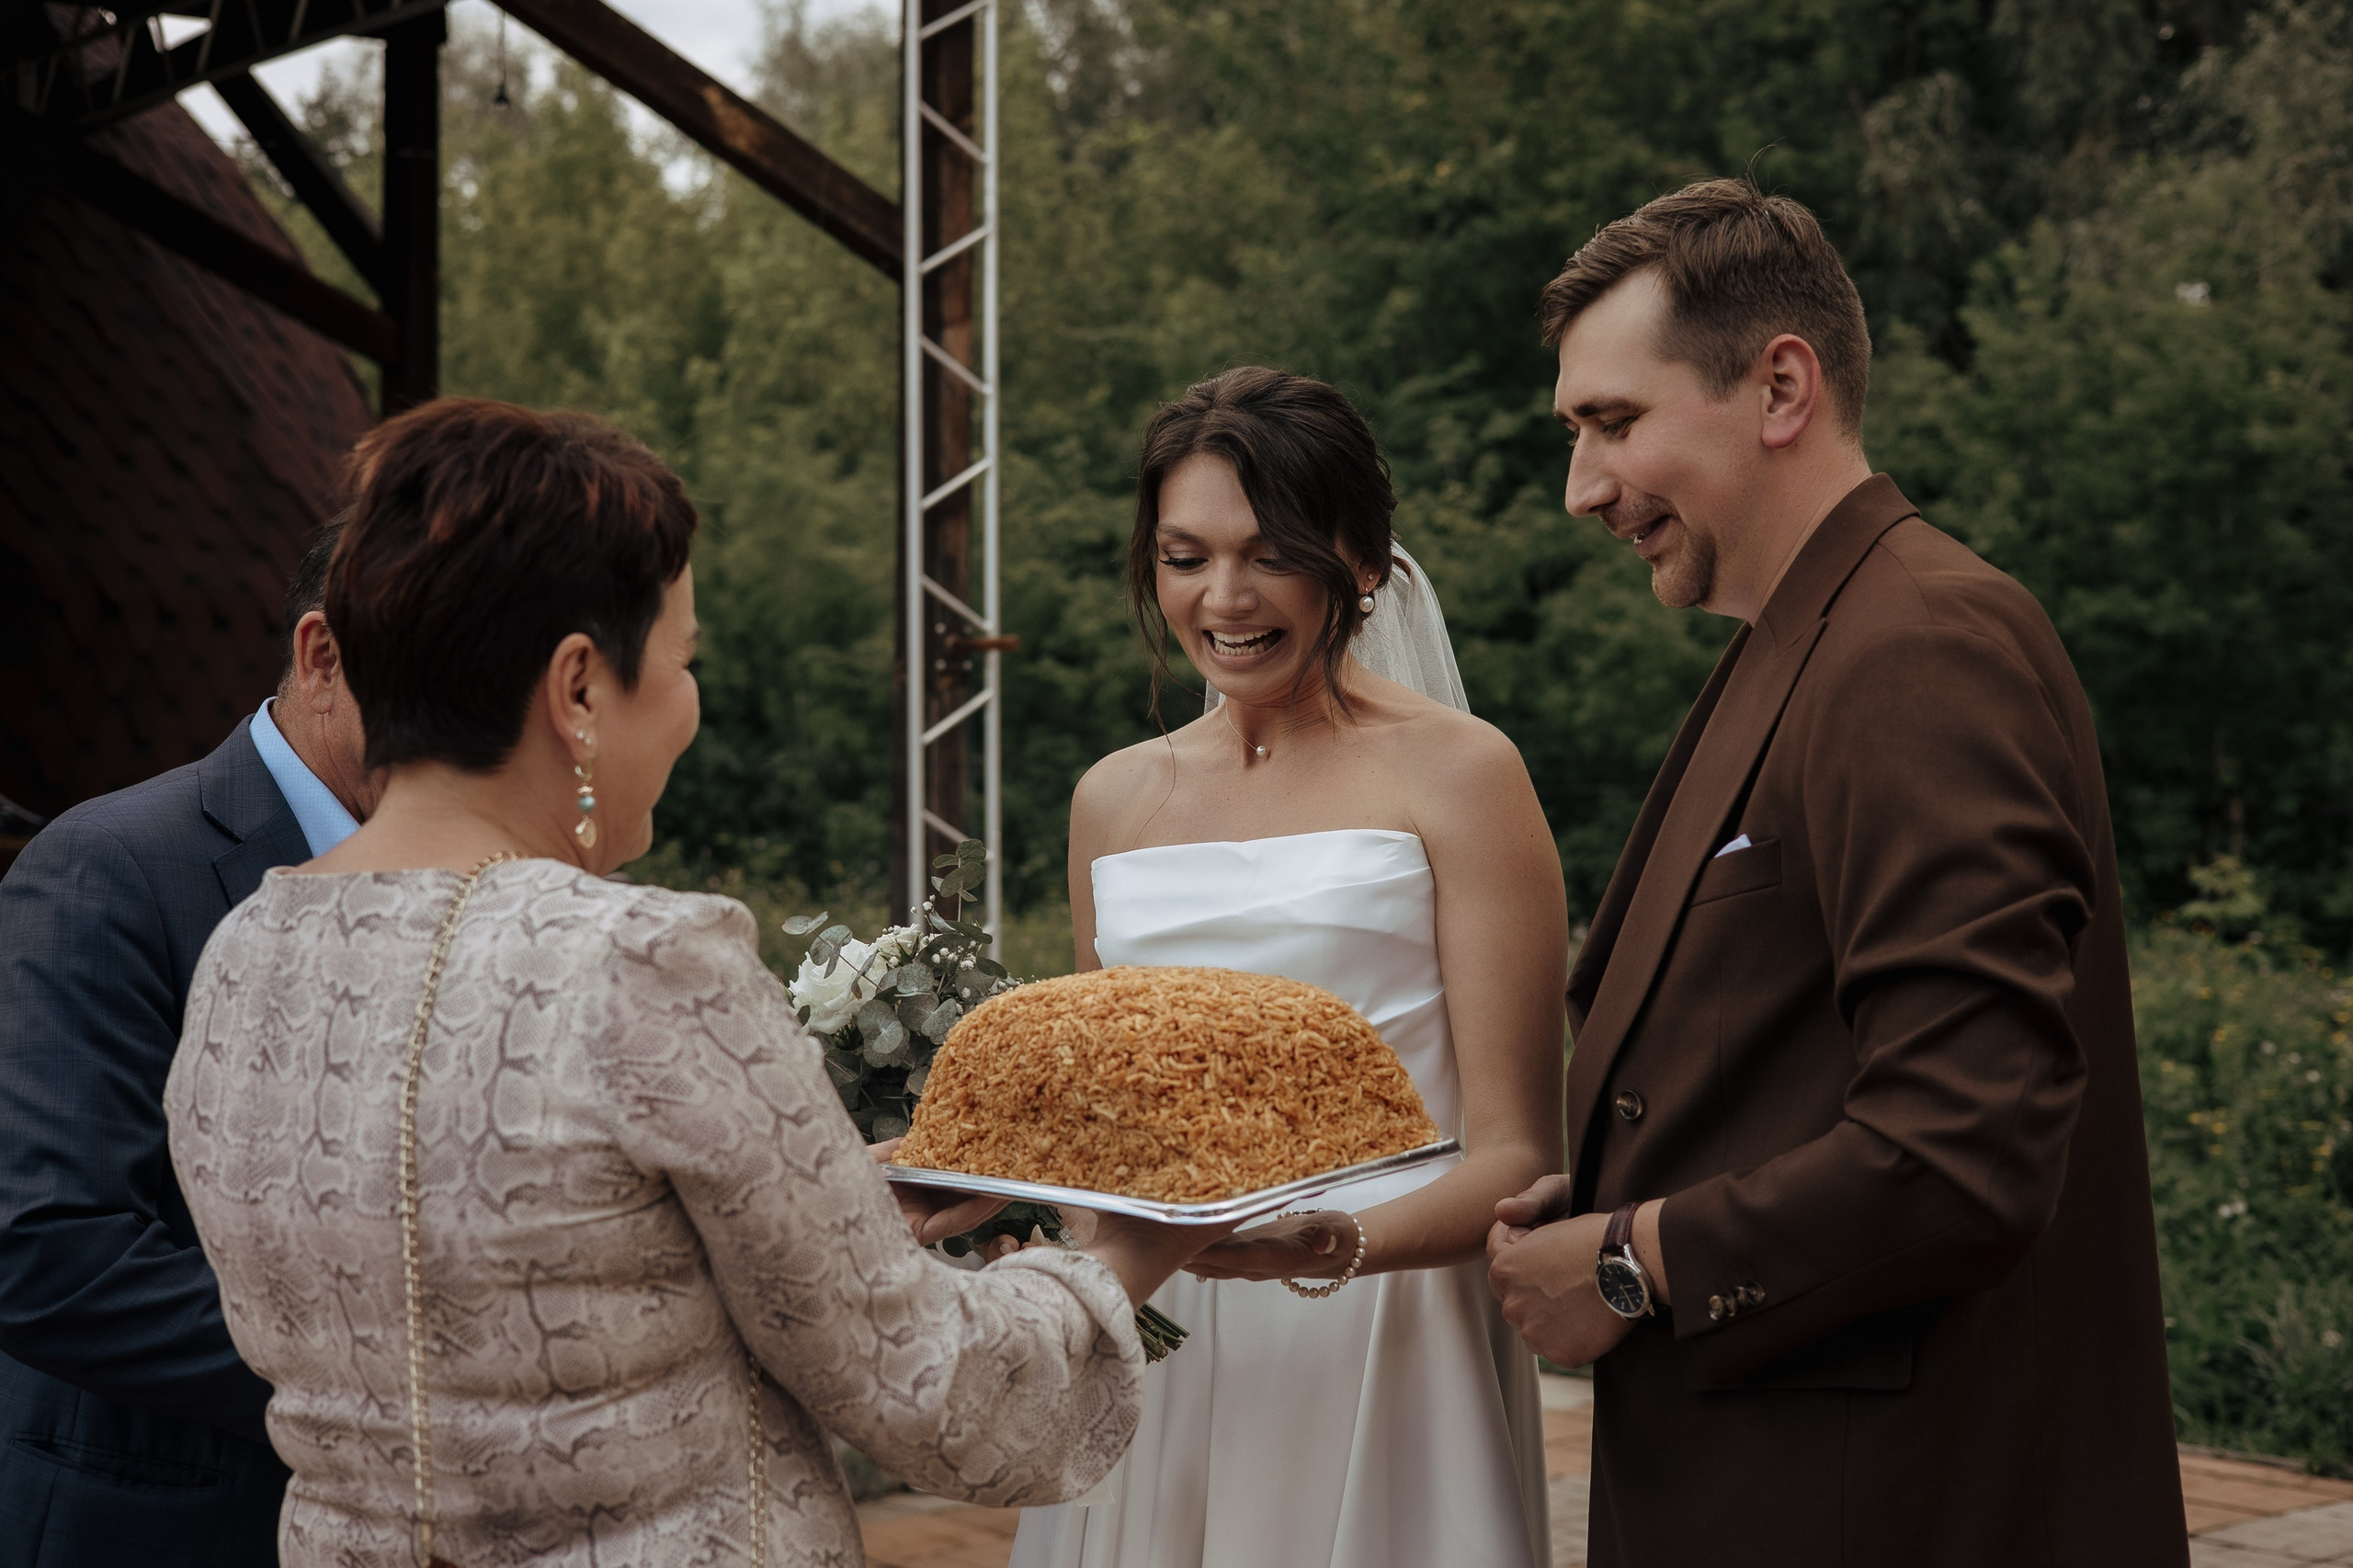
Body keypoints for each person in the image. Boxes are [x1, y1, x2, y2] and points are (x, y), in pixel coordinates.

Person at [165, 397, 1221, 1567]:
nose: (689, 702)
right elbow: (933, 1391)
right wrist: (1115, 1255)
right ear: (577, 688)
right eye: (681, 658)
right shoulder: (643, 960)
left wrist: (829, 1212)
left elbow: (499, 1274)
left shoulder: (246, 949)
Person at [1484, 179, 2187, 1565]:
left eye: (1614, 423)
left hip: (1884, 1504)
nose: (1582, 489)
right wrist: (1617, 1178)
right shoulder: (1806, 637)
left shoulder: (1918, 645)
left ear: (1782, 387)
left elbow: (1963, 1144)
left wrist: (1632, 1259)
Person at [1011, 367, 1563, 1568]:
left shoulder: (1463, 775)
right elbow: (1105, 1136)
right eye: (1184, 554)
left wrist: (1327, 1244)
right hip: (1163, 1328)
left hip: (1383, 1320)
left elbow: (1521, 1151)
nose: (1224, 597)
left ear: (1360, 557)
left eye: (1269, 552)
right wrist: (993, 1193)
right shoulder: (1111, 797)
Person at [0, 519, 375, 1567]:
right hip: (166, 1522)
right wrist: (389, 1369)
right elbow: (50, 1248)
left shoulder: (499, 886)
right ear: (321, 658)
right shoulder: (105, 865)